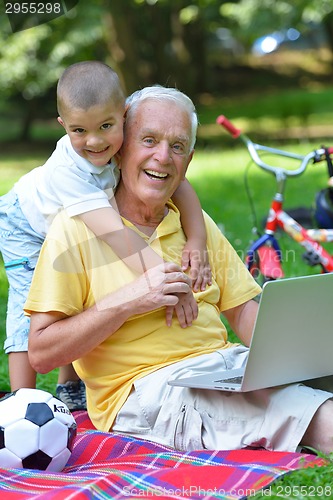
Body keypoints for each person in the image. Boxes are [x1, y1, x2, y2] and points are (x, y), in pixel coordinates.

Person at [26, 85, 333, 454]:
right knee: (313, 414)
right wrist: (129, 300)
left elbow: (243, 312)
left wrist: (301, 351)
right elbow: (42, 353)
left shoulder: (194, 225)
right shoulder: (75, 228)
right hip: (147, 389)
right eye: (149, 140)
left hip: (224, 368)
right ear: (120, 150)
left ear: (188, 160)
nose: (163, 157)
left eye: (177, 146)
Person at [0, 62, 211, 410]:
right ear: (62, 126)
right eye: (79, 131)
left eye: (106, 127)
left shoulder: (121, 139)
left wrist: (197, 241)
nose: (95, 141)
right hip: (26, 225)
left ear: (124, 116)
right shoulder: (70, 173)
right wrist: (172, 282)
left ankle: (69, 386)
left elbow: (180, 184)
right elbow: (116, 235)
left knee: (76, 290)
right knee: (32, 307)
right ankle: (21, 402)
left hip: (68, 222)